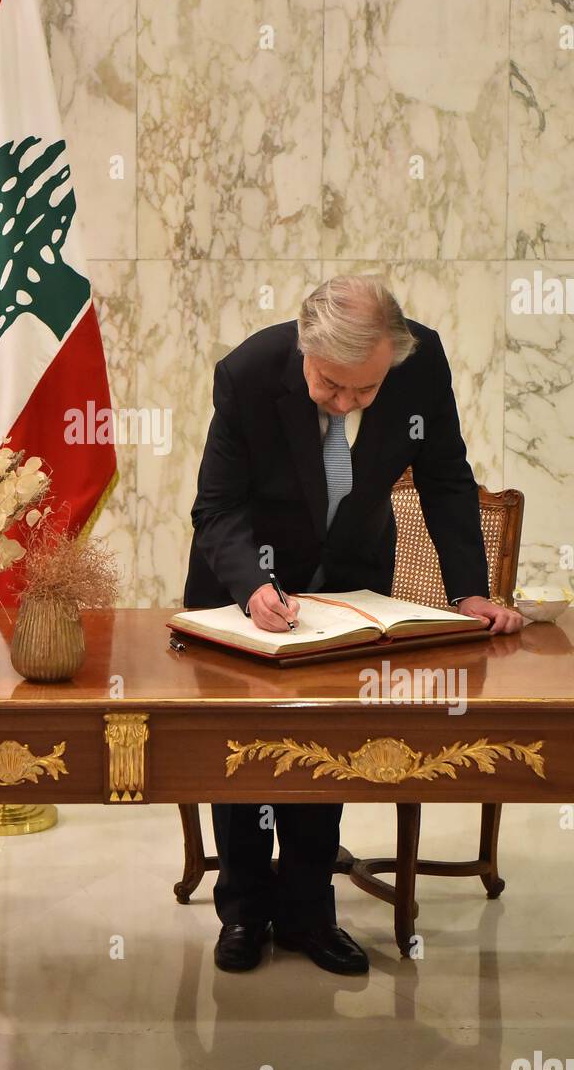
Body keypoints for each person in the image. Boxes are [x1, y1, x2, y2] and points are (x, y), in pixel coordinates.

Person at [183, 275, 524, 976]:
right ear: (305, 348)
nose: (345, 403)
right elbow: (216, 508)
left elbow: (446, 478)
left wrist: (469, 592)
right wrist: (252, 586)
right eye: (330, 386)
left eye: (364, 392)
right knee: (242, 749)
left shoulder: (420, 362)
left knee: (328, 737)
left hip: (351, 579)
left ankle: (310, 911)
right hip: (244, 581)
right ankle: (245, 908)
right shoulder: (247, 375)